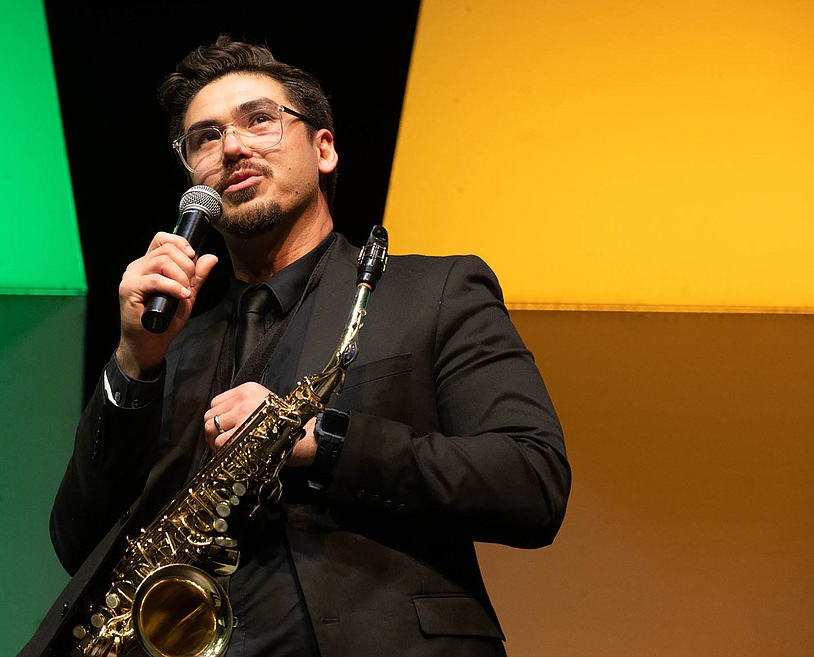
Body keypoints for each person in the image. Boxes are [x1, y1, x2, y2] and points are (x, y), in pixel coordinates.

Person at [39, 36, 570, 657]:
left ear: (324, 149)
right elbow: (80, 545)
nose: (231, 146)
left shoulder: (435, 290)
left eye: (259, 119)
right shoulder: (172, 345)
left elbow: (532, 483)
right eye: (204, 138)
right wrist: (133, 360)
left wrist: (325, 443)